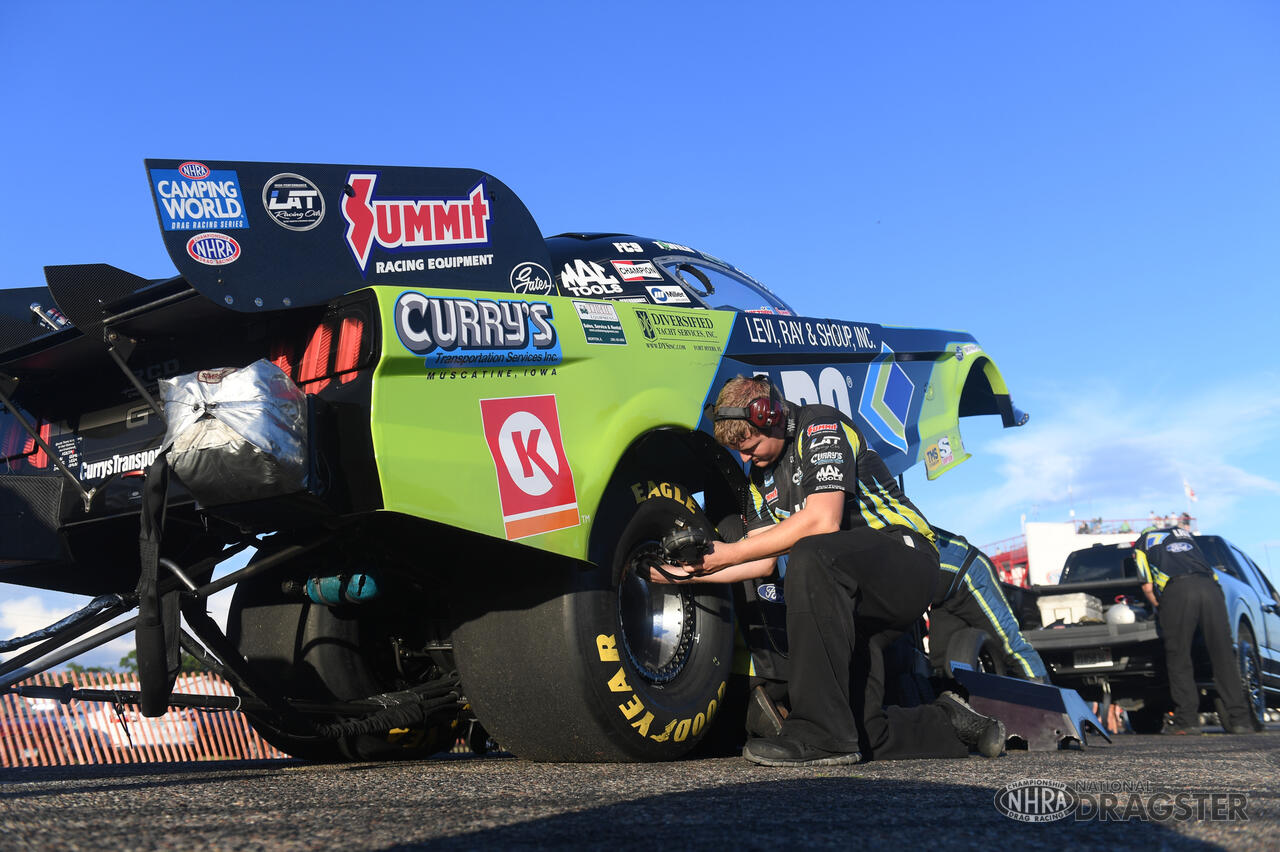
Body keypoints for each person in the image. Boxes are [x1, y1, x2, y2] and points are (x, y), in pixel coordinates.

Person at [650, 375, 1005, 766]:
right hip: (849, 593)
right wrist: (687, 573)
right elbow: (762, 560)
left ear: (770, 417)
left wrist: (729, 551)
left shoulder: (821, 427)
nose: (745, 459)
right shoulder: (759, 478)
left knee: (812, 553)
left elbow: (823, 521)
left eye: (749, 448)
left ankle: (816, 734)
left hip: (906, 559)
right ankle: (951, 723)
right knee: (859, 730)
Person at [1133, 526, 1255, 735]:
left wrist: (1160, 607)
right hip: (1210, 589)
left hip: (1178, 591)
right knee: (1223, 655)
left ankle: (1187, 721)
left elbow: (1146, 585)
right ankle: (1240, 720)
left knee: (1179, 657)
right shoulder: (1184, 535)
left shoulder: (1142, 544)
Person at [929, 528, 1049, 681]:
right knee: (942, 666)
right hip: (941, 593)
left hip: (969, 571)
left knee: (1009, 645)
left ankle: (1045, 695)